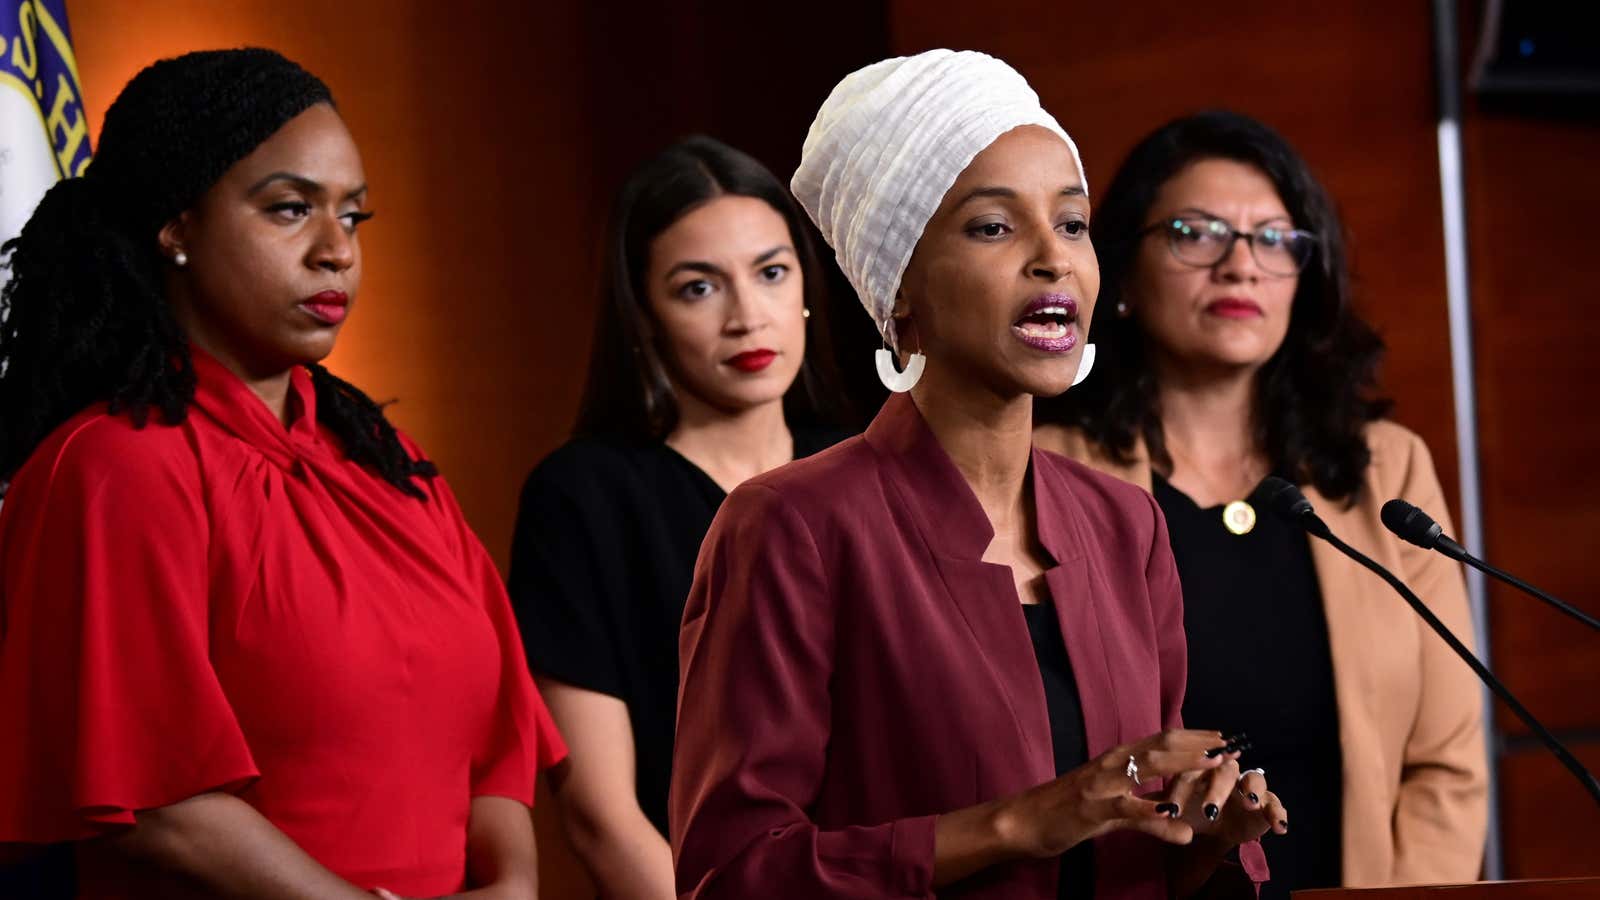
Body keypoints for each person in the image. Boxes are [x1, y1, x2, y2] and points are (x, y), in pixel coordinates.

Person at [669, 50, 1283, 900]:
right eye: (994, 226)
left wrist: (1210, 834)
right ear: (900, 289)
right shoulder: (789, 525)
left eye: (1071, 224)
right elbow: (731, 875)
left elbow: (1139, 845)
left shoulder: (1125, 525)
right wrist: (1016, 824)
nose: (1053, 258)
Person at [0, 48, 565, 899]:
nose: (336, 251)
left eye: (355, 216)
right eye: (291, 209)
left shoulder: (391, 463)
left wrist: (513, 886)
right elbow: (156, 801)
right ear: (175, 226)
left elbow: (498, 740)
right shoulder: (113, 470)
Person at [1034, 110, 1488, 895]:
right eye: (1196, 233)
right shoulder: (1044, 471)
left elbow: (1446, 767)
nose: (1241, 266)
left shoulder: (1385, 471)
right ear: (1122, 275)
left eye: (1274, 240)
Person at [507, 135, 848, 900]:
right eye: (699, 288)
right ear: (645, 315)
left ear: (803, 285)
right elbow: (601, 816)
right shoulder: (584, 497)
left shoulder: (872, 469)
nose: (747, 316)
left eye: (770, 272)